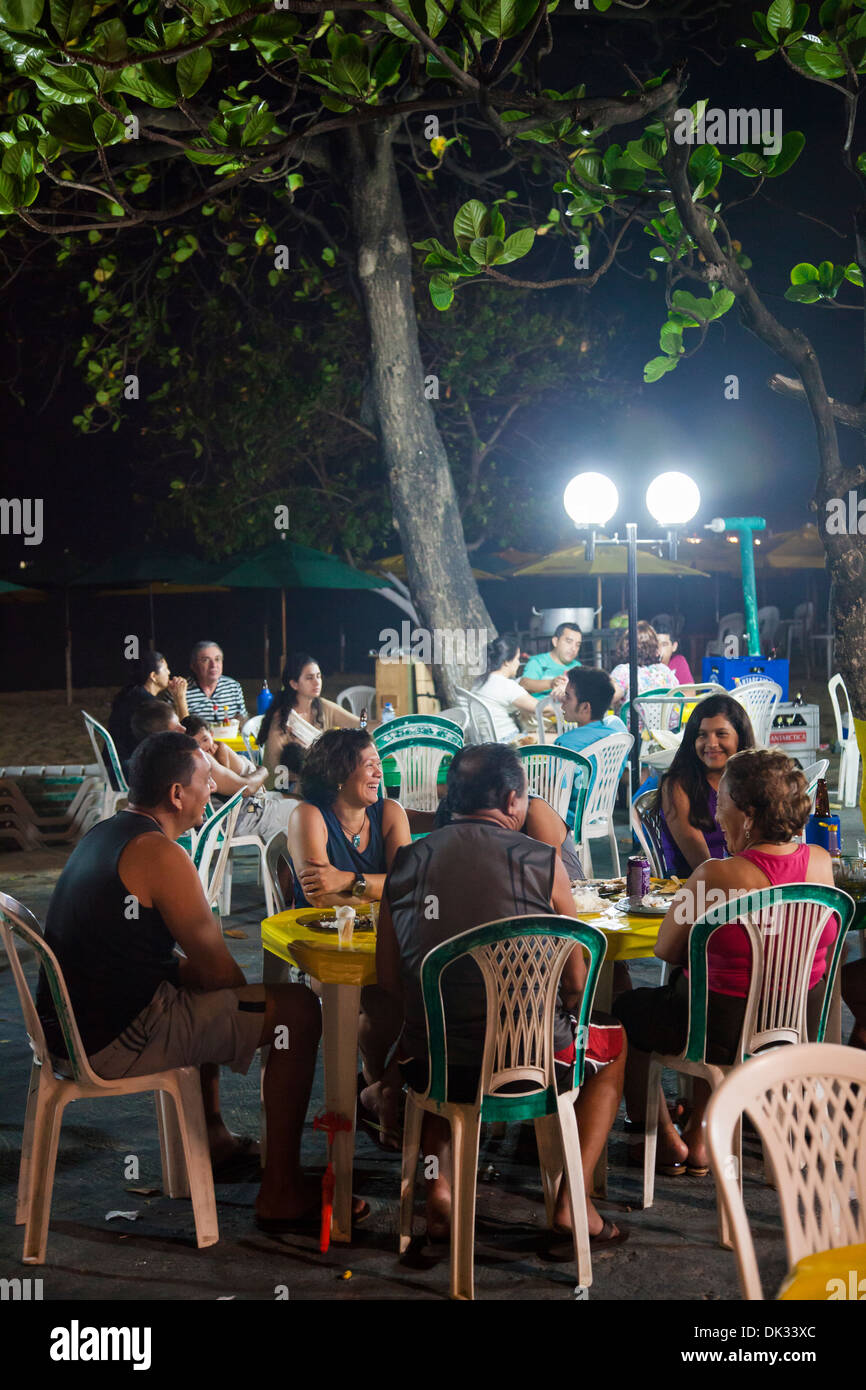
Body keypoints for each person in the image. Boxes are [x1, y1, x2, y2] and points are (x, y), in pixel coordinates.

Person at [33, 731, 362, 1231]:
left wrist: (220, 990)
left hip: (66, 1030)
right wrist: (251, 1004)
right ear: (176, 795)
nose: (213, 791)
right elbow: (220, 974)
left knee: (200, 986)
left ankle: (213, 1138)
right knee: (295, 1011)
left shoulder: (106, 833)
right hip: (112, 1042)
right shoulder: (162, 855)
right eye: (207, 782)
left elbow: (160, 961)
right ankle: (281, 1191)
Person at [367, 743, 627, 1251]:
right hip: (533, 1060)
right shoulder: (541, 861)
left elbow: (390, 982)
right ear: (513, 800)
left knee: (437, 1034)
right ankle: (575, 1204)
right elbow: (576, 983)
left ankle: (440, 1188)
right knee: (613, 1045)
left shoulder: (405, 863)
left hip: (435, 1063)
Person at [614, 749, 838, 1175]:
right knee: (701, 998)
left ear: (748, 814)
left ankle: (663, 1139)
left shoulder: (718, 875)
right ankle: (702, 1135)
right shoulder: (820, 863)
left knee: (627, 1012)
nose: (716, 815)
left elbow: (665, 950)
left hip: (718, 1030)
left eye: (722, 803)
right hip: (787, 1026)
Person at [286, 728, 411, 909]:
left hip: (377, 929)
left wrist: (349, 881)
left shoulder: (391, 813)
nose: (379, 773)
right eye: (370, 765)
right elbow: (320, 899)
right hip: (318, 928)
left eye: (379, 765)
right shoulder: (308, 816)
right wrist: (380, 895)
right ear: (339, 773)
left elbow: (405, 885)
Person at [139, 703, 292, 842]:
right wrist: (263, 770)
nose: (183, 730)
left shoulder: (148, 765)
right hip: (235, 822)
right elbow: (245, 789)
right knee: (304, 814)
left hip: (217, 822)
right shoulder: (194, 758)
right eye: (176, 727)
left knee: (295, 804)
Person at [654, 695, 755, 876]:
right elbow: (703, 865)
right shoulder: (677, 786)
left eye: (721, 734)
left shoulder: (752, 780)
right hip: (696, 886)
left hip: (747, 880)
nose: (711, 744)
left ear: (740, 737)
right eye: (702, 735)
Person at [260, 653, 362, 795]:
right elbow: (276, 771)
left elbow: (359, 724)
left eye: (318, 676)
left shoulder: (322, 706)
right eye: (309, 678)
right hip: (285, 788)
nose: (316, 682)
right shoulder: (283, 719)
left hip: (316, 781)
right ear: (294, 684)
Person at [554, 667, 628, 829]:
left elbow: (557, 790)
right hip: (601, 812)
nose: (562, 701)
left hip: (570, 819)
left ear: (585, 707)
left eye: (567, 697)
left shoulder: (565, 743)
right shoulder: (619, 729)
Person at [108, 650, 189, 766]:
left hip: (115, 763)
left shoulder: (130, 695)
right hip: (132, 767)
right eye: (165, 669)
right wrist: (180, 698)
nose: (169, 672)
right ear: (153, 676)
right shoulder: (149, 706)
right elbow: (185, 737)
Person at [473, 635, 546, 742]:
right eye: (517, 658)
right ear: (507, 661)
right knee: (558, 738)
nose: (518, 663)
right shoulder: (506, 685)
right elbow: (542, 709)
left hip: (486, 741)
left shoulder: (480, 681)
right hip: (507, 742)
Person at [609, 622, 678, 709]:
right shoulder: (665, 671)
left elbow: (605, 699)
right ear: (656, 647)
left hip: (634, 723)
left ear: (625, 647)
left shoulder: (624, 672)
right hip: (667, 723)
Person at [185, 641, 248, 724]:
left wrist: (241, 721)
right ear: (193, 665)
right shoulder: (181, 690)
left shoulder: (233, 687)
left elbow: (244, 719)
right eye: (206, 660)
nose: (213, 665)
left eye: (217, 659)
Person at [519, 622, 582, 699]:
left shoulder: (577, 667)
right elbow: (524, 683)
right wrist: (551, 683)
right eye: (568, 642)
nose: (573, 648)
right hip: (541, 709)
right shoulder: (538, 662)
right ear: (555, 642)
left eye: (577, 645)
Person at [651, 613, 694, 685]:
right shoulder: (646, 665)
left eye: (664, 644)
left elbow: (690, 693)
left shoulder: (678, 662)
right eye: (655, 645)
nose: (659, 649)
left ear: (674, 647)